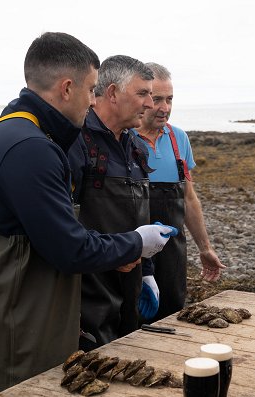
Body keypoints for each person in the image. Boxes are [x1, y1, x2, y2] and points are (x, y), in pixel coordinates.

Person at [0, 33, 175, 397]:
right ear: (67, 87)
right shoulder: (28, 147)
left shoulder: (15, 131)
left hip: (22, 311)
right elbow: (69, 248)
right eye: (91, 90)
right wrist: (137, 244)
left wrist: (131, 262)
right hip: (15, 324)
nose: (93, 102)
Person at [68, 55, 158, 349]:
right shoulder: (76, 143)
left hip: (129, 285)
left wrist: (147, 273)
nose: (150, 104)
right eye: (142, 93)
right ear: (112, 93)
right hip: (88, 292)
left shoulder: (135, 145)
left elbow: (141, 216)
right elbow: (64, 225)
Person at [133, 62, 225, 321]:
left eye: (170, 99)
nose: (165, 108)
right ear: (142, 98)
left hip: (172, 253)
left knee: (173, 316)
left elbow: (189, 198)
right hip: (132, 253)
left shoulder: (179, 139)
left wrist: (205, 248)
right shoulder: (124, 137)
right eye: (158, 99)